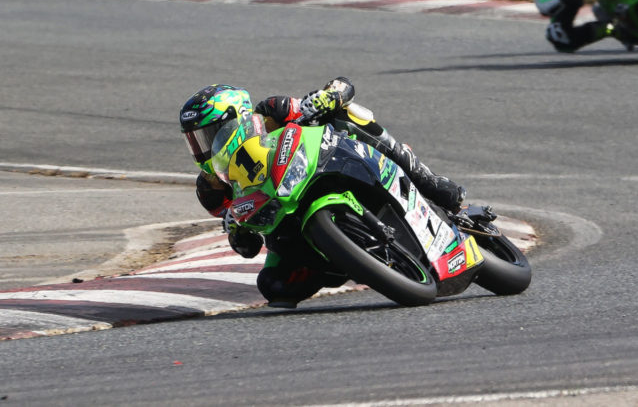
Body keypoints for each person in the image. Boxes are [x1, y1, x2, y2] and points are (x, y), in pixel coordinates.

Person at [179, 80, 466, 308]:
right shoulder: (212, 190)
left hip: (327, 165)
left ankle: (427, 180)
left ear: (235, 120)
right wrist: (237, 230)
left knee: (349, 114)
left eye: (210, 134)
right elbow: (248, 247)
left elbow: (342, 87)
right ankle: (344, 259)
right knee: (273, 287)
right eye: (195, 140)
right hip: (289, 223)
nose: (203, 148)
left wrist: (328, 97)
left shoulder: (271, 111)